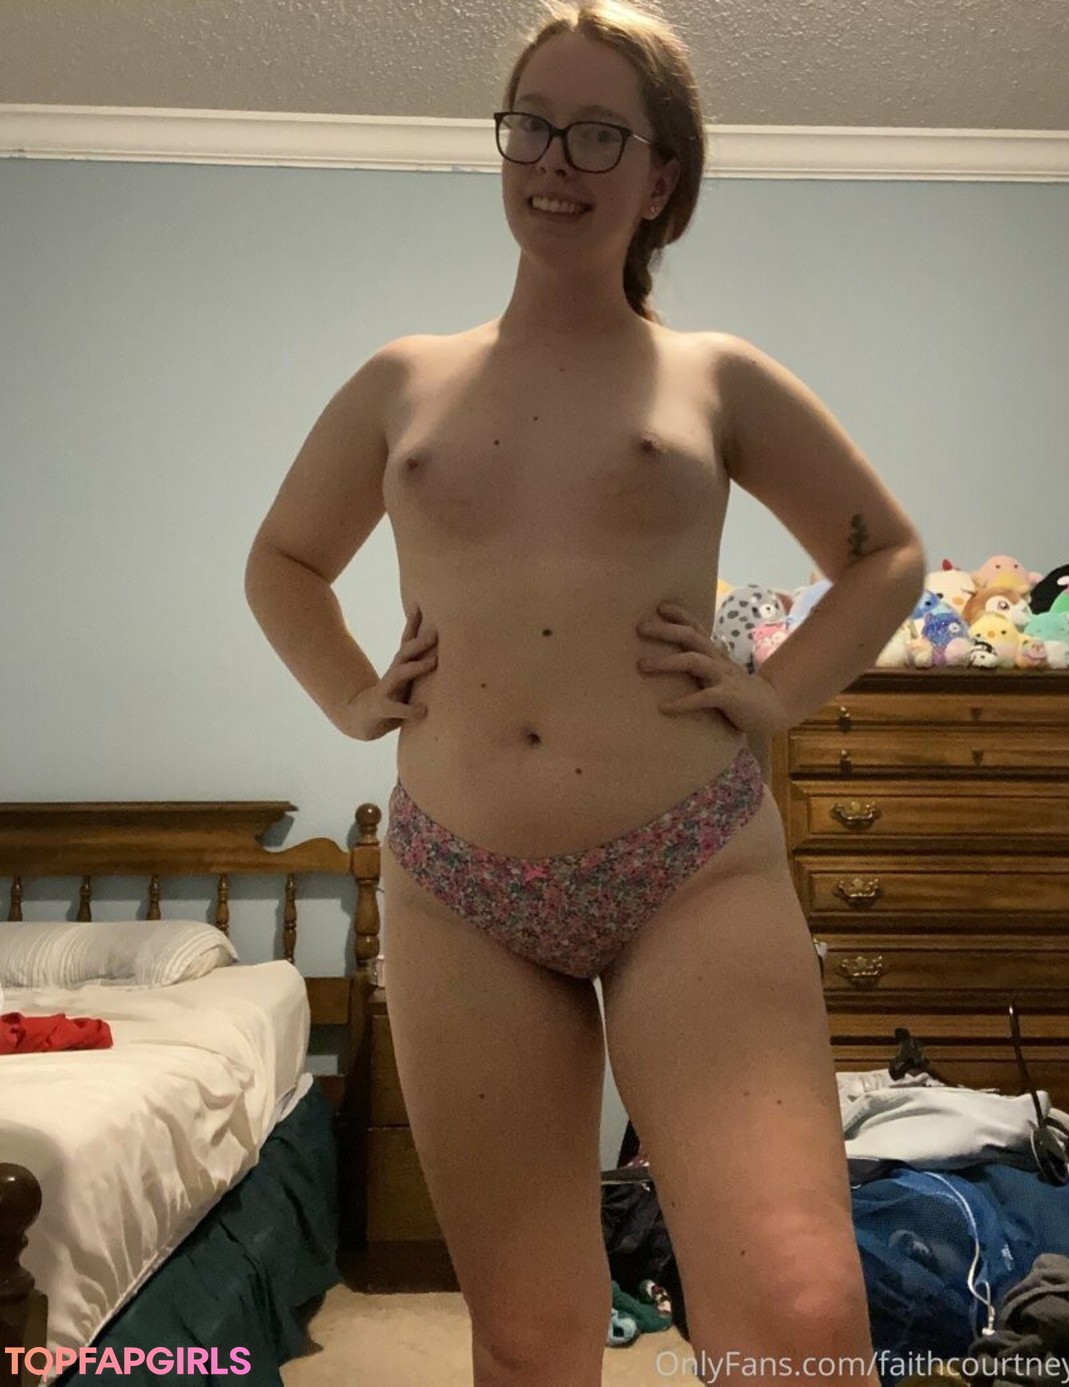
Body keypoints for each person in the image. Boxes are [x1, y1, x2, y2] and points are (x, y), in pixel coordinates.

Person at [244, 2, 926, 1383]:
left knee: (801, 1315)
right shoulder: (402, 381)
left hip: (691, 868)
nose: (555, 159)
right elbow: (284, 563)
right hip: (460, 888)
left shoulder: (714, 376)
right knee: (531, 1335)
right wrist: (353, 698)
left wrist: (775, 694)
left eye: (599, 132)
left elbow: (886, 556)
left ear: (661, 176)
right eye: (532, 126)